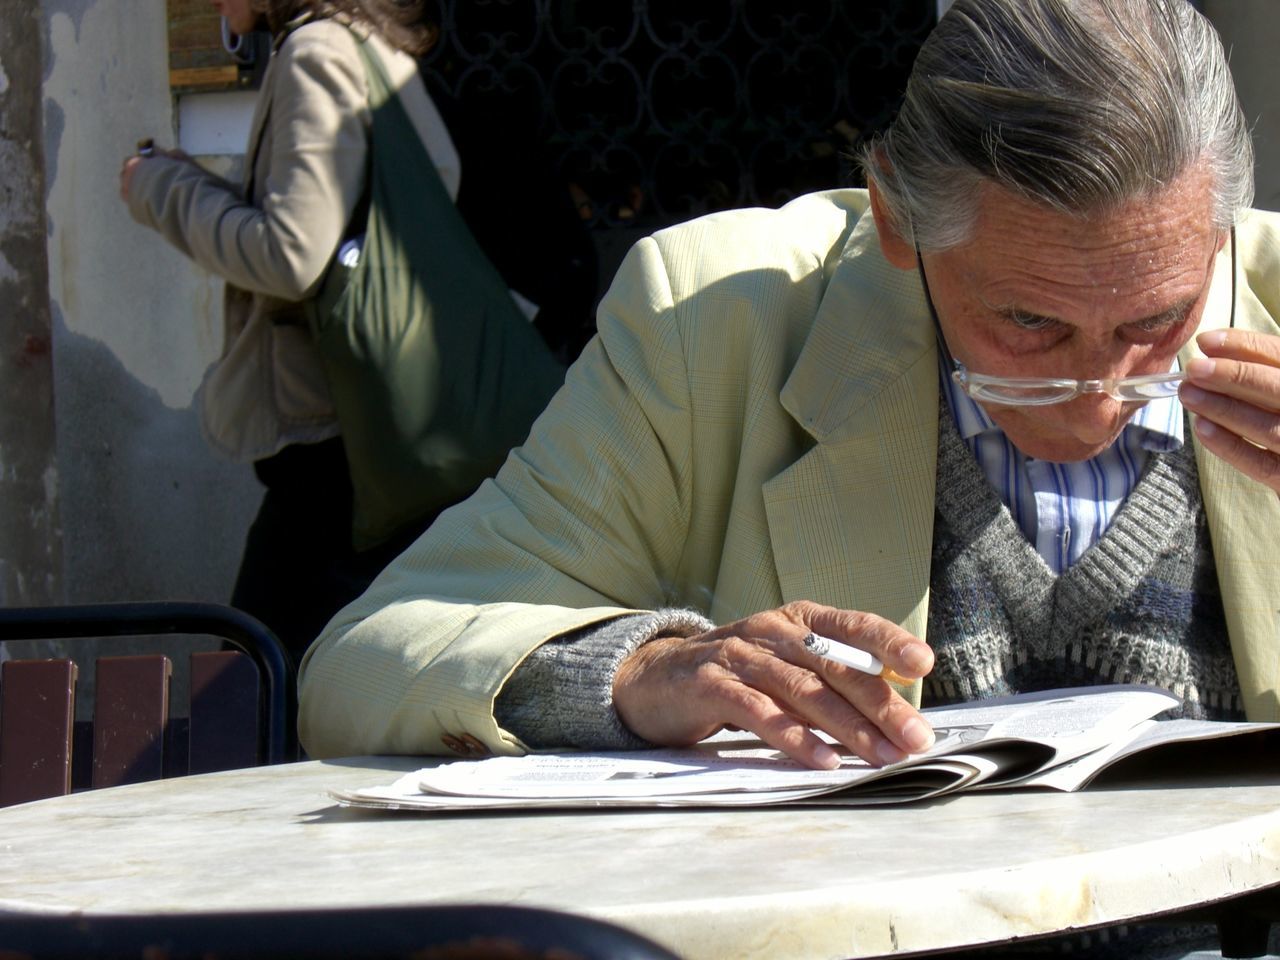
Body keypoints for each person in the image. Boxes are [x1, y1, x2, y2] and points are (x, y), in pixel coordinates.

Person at [299, 0, 1278, 779]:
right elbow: (362, 661)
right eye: (1030, 324)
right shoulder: (716, 325)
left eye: (1154, 321)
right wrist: (634, 672)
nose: (1099, 394)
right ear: (896, 223)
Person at [119, 0, 482, 664]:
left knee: (255, 682)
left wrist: (161, 186)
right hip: (381, 424)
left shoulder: (315, 53)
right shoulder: (371, 44)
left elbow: (291, 253)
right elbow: (436, 184)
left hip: (331, 440)